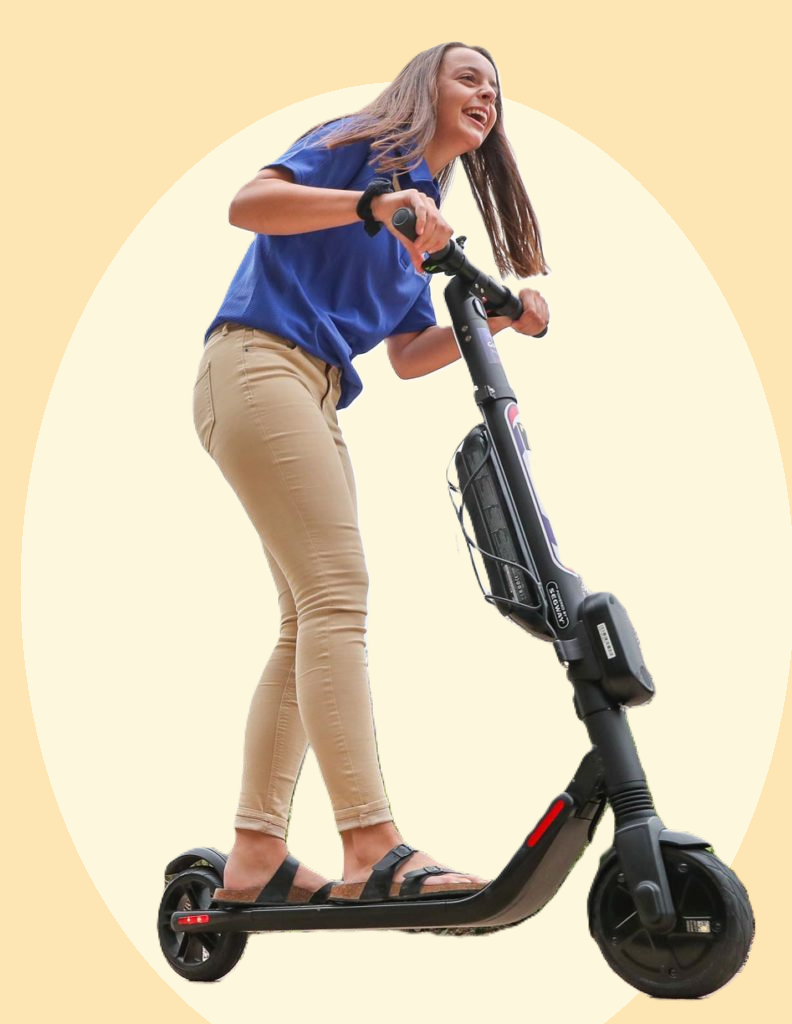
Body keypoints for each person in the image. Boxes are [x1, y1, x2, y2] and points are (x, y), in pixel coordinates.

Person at [193, 41, 550, 906]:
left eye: (495, 88)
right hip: (256, 361)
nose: (485, 94)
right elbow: (249, 204)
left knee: (306, 616)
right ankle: (369, 844)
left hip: (312, 392)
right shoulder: (365, 149)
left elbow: (405, 355)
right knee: (338, 594)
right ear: (423, 86)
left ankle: (253, 854)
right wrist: (369, 200)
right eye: (468, 76)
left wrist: (502, 316)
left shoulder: (419, 224)